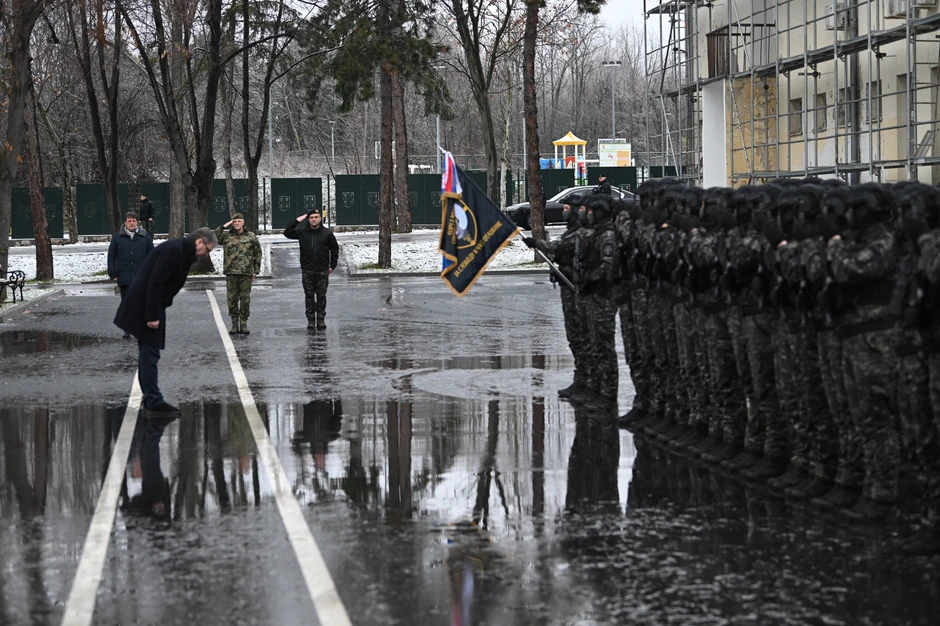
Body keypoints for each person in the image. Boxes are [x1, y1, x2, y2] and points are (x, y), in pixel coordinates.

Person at [114, 227, 217, 414]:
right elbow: (155, 282)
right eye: (208, 250)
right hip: (145, 307)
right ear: (199, 242)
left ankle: (151, 398)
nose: (206, 255)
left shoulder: (182, 252)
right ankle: (154, 401)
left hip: (150, 305)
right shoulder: (175, 251)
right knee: (150, 353)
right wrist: (152, 315)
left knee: (149, 353)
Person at [284, 208, 339, 330]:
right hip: (307, 269)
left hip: (322, 270)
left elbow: (334, 249)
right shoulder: (302, 232)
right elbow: (287, 232)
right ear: (308, 219)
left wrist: (332, 265)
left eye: (316, 217)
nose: (314, 220)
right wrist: (299, 219)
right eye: (311, 217)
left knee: (321, 296)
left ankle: (320, 319)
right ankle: (310, 320)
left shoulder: (327, 233)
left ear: (320, 219)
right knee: (309, 296)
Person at [108, 211, 154, 338]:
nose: (132, 223)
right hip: (125, 276)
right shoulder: (117, 237)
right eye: (129, 221)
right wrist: (112, 273)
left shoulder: (145, 236)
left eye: (134, 220)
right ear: (125, 223)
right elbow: (112, 256)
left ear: (137, 222)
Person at [216, 213, 262, 335]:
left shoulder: (251, 236)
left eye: (239, 221)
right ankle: (234, 323)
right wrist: (224, 225)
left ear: (243, 222)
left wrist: (256, 271)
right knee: (232, 299)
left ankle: (243, 323)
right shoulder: (227, 236)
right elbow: (215, 236)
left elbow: (258, 253)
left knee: (245, 299)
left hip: (246, 273)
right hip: (231, 272)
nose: (237, 223)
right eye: (235, 221)